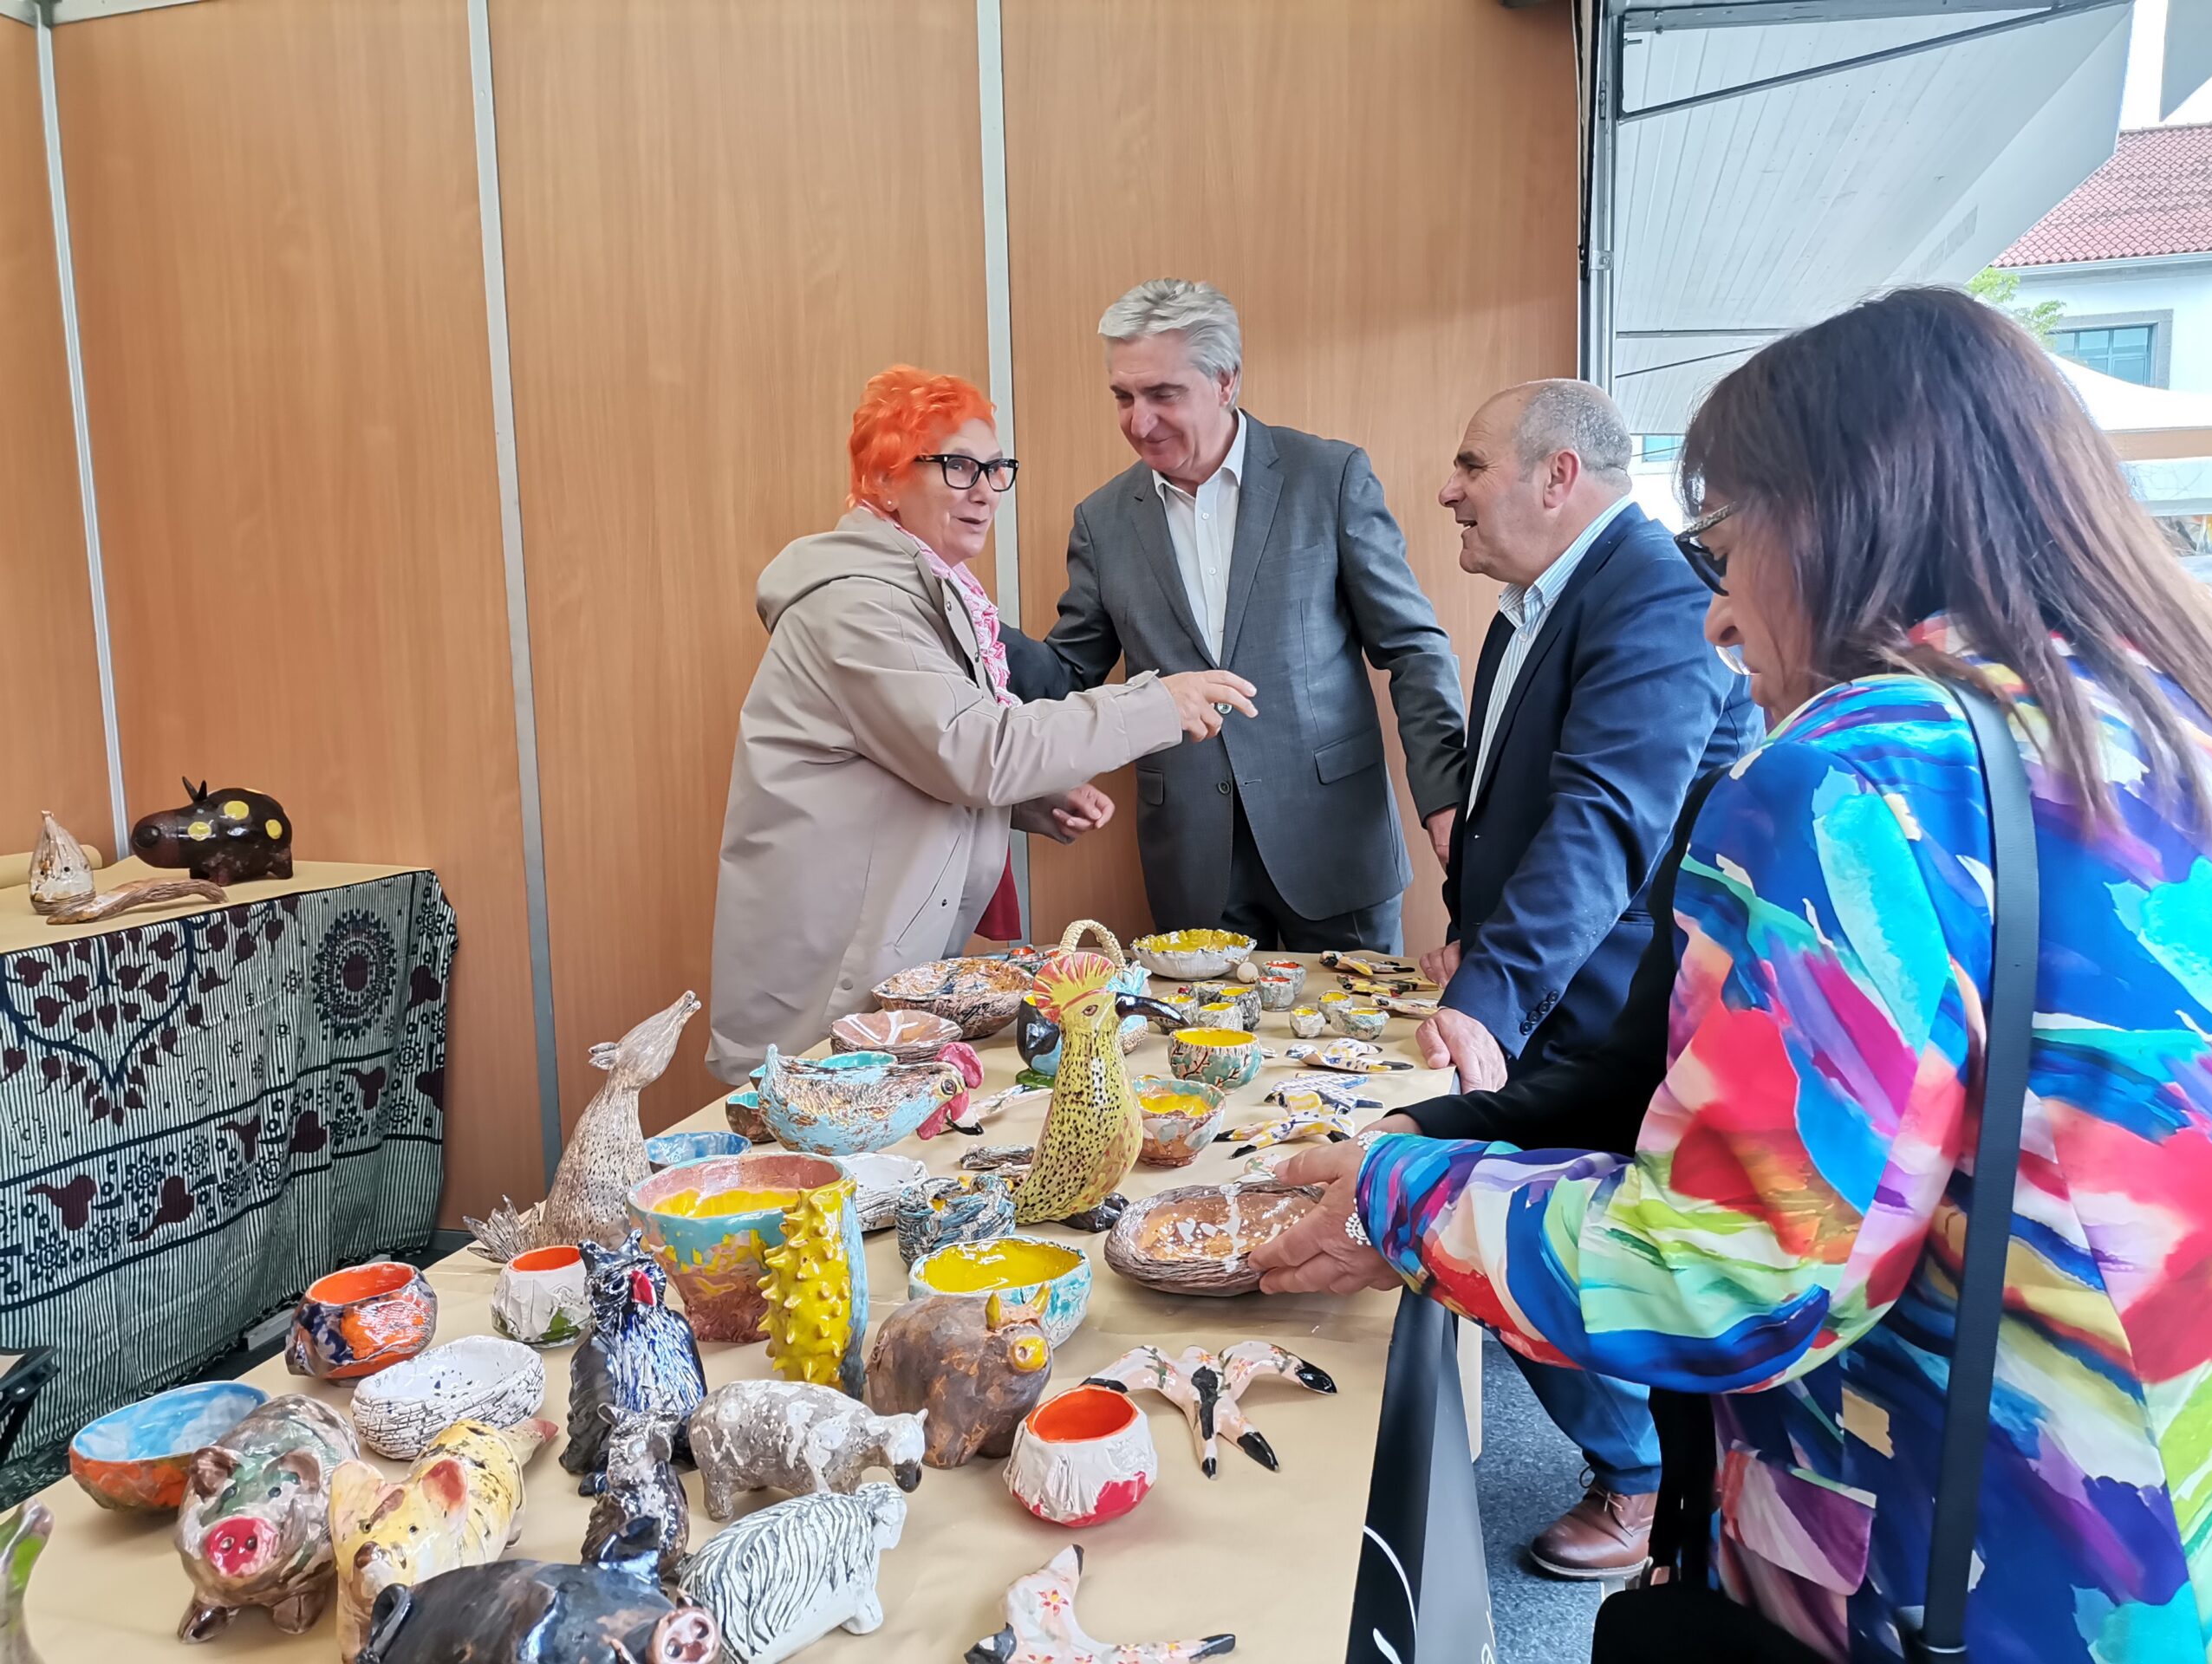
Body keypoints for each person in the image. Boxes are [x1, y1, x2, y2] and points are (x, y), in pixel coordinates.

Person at [1253, 286, 2212, 1662]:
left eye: (1724, 547)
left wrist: (1399, 1192)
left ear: (1834, 518)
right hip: (2150, 1523)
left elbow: (1722, 1281)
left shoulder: (1855, 774)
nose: (1715, 622)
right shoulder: (2156, 721)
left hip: (1950, 1556)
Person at [1398, 380, 1758, 1579]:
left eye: (1469, 461)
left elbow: (1608, 817)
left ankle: (1646, 1483)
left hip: (1612, 1007)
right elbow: (1526, 800)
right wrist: (1474, 935)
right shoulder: (1529, 602)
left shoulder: (1653, 587)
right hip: (1555, 983)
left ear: (1559, 476)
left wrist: (1491, 997)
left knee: (1546, 1234)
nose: (1447, 488)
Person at [706, 367, 1254, 1084]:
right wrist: (1154, 704)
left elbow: (919, 755)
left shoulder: (923, 592)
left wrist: (1026, 800)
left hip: (867, 963)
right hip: (825, 984)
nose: (986, 490)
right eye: (958, 466)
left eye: (996, 469)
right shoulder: (857, 607)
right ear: (883, 480)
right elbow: (975, 749)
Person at [999, 279, 1464, 952]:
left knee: (1356, 1056)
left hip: (1333, 844)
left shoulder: (1328, 478)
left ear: (1226, 382)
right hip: (1192, 858)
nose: (1139, 420)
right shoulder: (1101, 521)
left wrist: (1445, 797)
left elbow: (1414, 647)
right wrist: (973, 617)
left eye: (1163, 394)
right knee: (1209, 1056)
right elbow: (1069, 671)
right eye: (1123, 397)